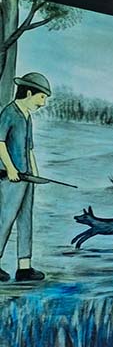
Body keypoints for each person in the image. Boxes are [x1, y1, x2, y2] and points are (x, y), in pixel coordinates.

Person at [0, 73, 50, 282]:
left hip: (26, 178)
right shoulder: (9, 113)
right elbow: (0, 142)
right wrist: (11, 169)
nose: (43, 103)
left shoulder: (28, 116)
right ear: (29, 93)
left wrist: (35, 174)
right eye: (41, 97)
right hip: (10, 178)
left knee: (25, 220)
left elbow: (29, 149)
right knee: (5, 219)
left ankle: (24, 267)